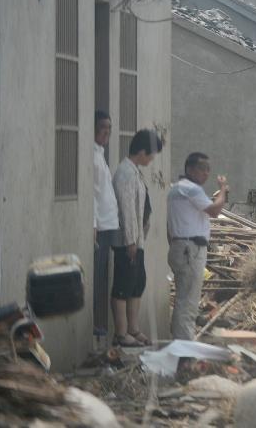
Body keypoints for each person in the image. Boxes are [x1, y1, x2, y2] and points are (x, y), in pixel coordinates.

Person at [167, 153, 229, 340]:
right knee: (188, 303)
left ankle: (180, 343)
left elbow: (168, 227)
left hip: (179, 247)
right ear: (190, 169)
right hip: (190, 249)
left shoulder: (175, 190)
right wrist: (223, 190)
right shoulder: (192, 189)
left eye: (208, 169)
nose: (206, 173)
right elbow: (215, 211)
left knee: (183, 299)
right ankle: (184, 349)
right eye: (203, 169)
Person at [112, 129, 162, 347]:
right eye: (151, 154)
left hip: (138, 240)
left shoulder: (135, 172)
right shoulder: (125, 173)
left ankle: (133, 329)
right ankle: (121, 334)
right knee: (123, 285)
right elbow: (126, 209)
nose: (152, 160)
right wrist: (131, 240)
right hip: (127, 241)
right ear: (142, 152)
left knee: (137, 283)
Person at [93, 111, 120, 342]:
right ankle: (96, 325)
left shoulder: (100, 155)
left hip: (109, 225)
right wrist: (93, 225)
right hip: (100, 227)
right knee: (97, 278)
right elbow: (91, 195)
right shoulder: (92, 157)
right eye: (103, 127)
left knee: (103, 277)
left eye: (109, 128)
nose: (107, 132)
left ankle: (100, 326)